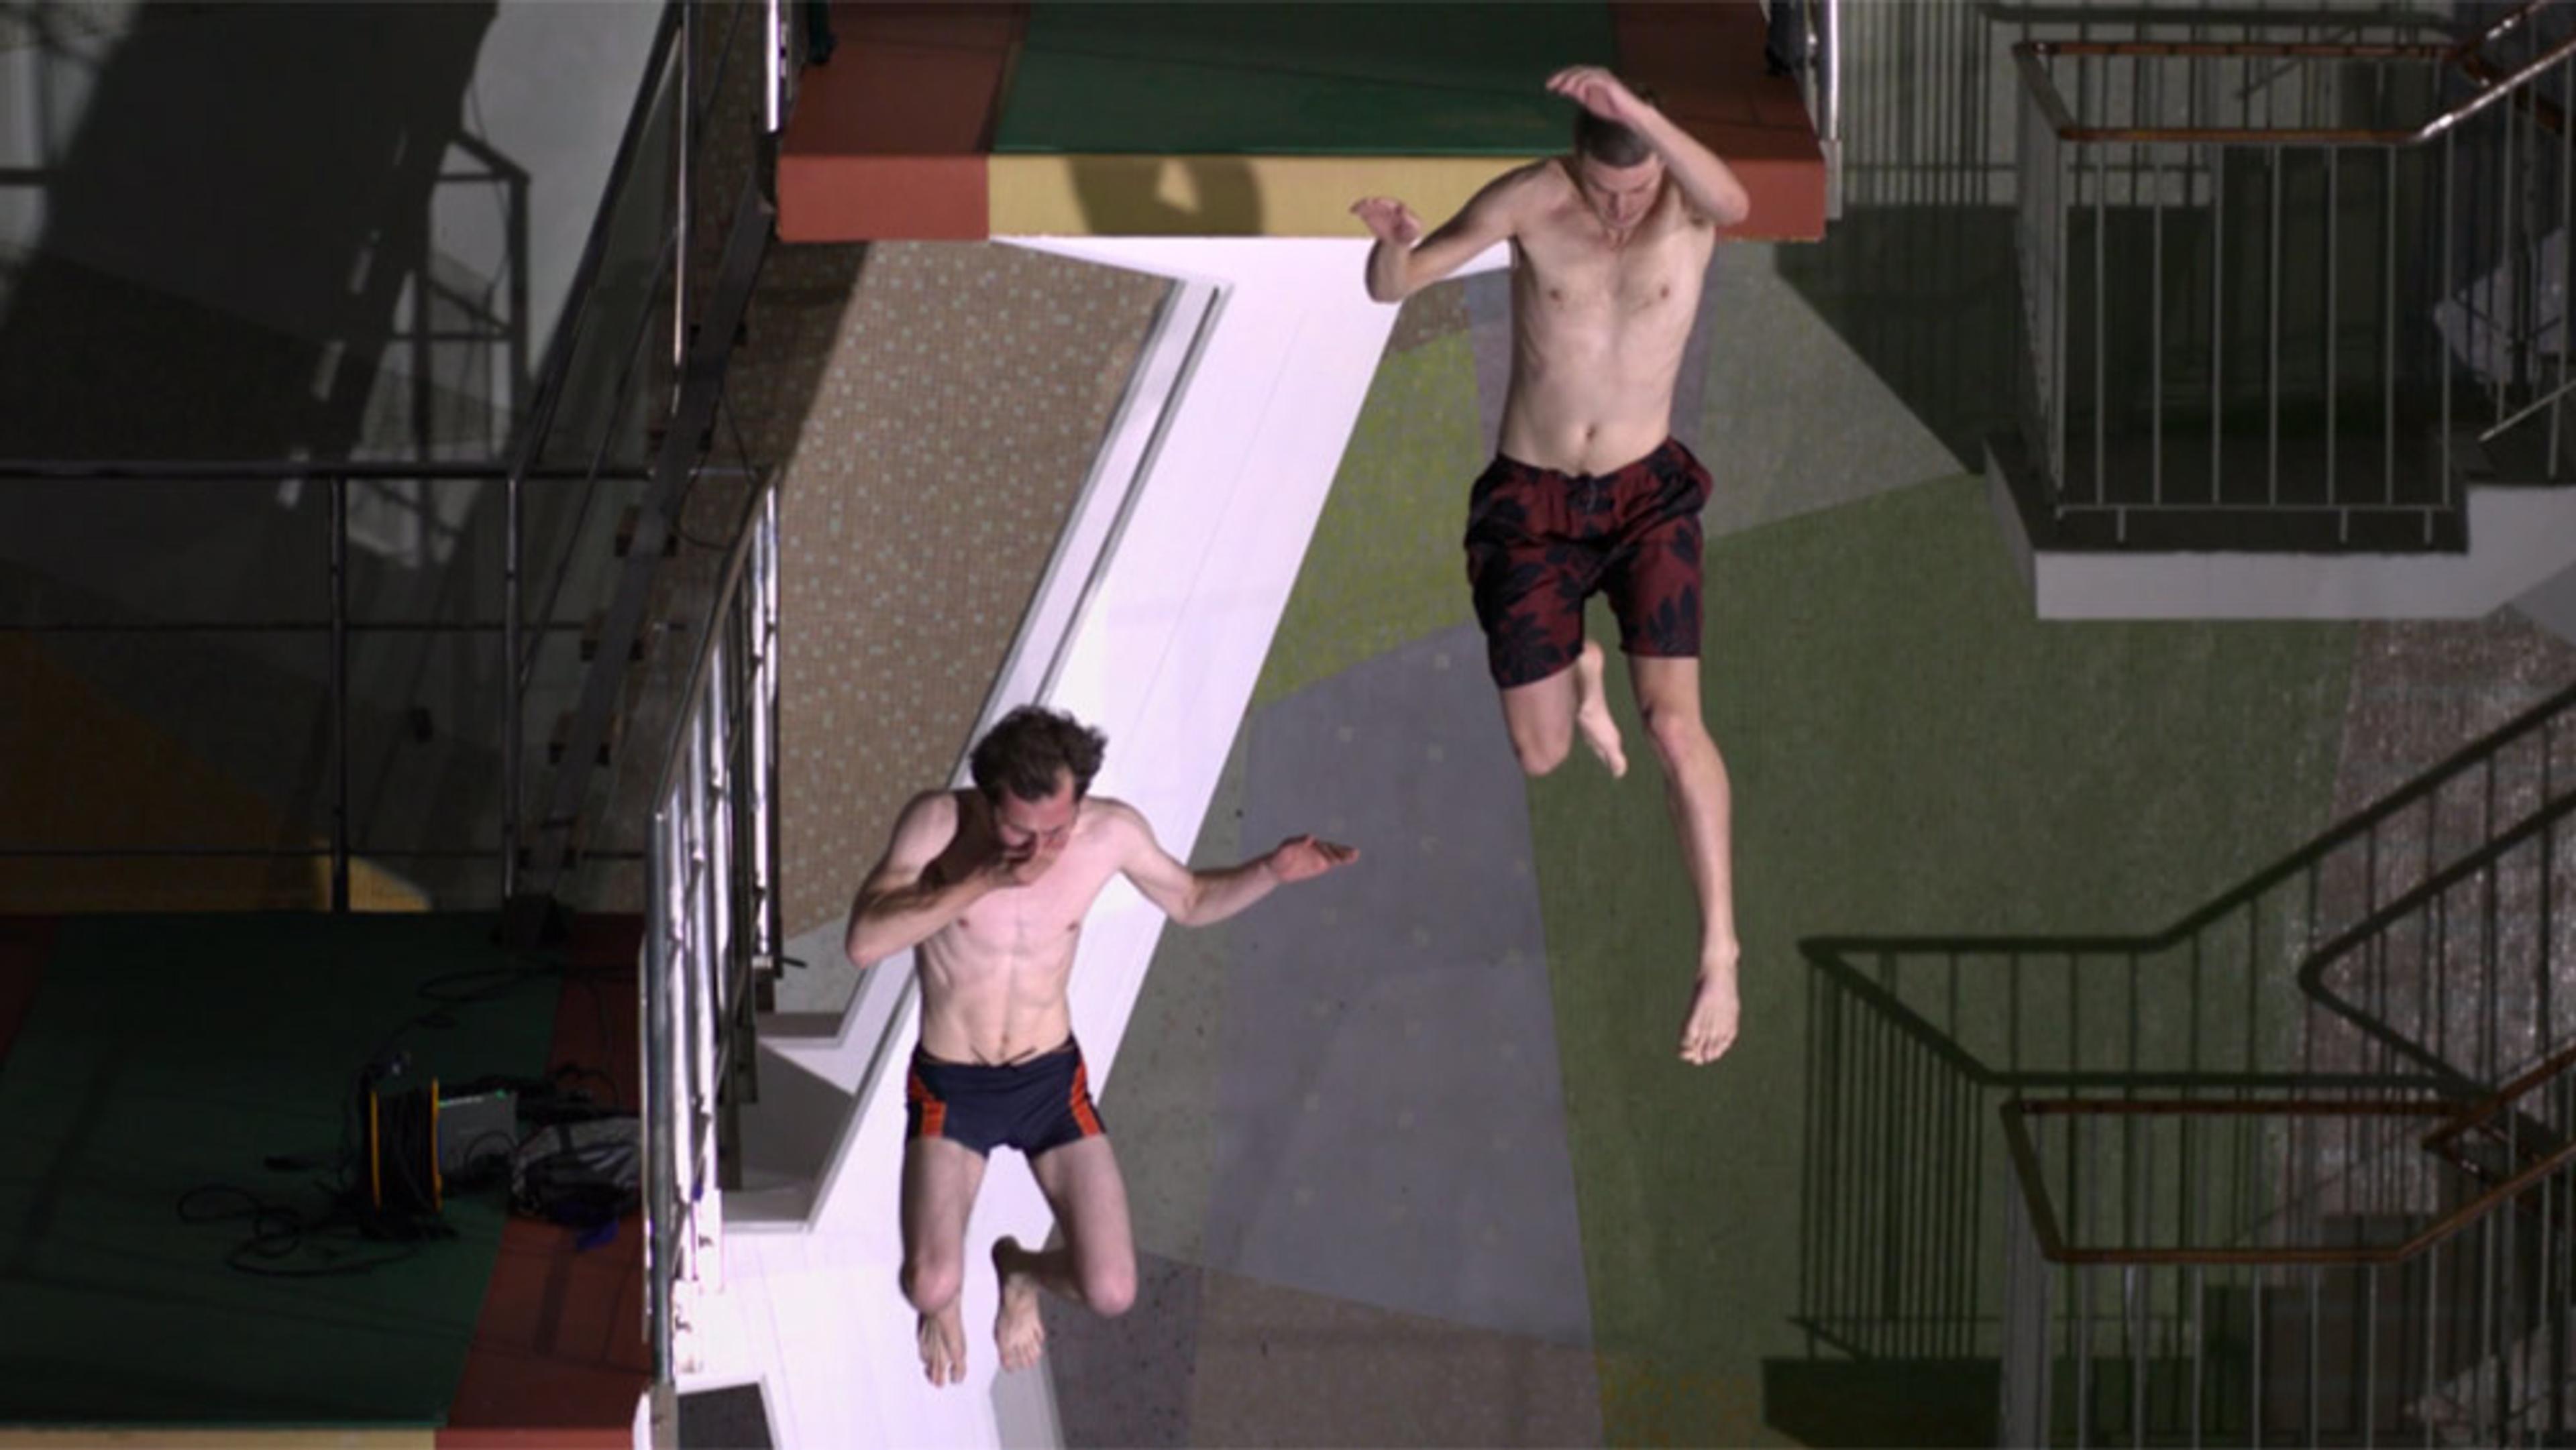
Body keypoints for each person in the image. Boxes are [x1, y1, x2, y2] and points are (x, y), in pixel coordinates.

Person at [1349, 66, 1751, 1068]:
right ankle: (1580, 666)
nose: (1620, 214)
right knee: (1540, 754)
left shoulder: (1690, 205)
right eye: (1603, 192)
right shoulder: (1533, 196)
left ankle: (1721, 948)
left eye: (1636, 190)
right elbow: (1396, 285)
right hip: (1532, 502)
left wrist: (1646, 117)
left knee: (1673, 721)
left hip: (1646, 494)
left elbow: (1737, 200)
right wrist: (1393, 249)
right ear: (1574, 163)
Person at [843, 705, 1358, 1386]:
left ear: (1078, 801)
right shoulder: (939, 823)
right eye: (1019, 830)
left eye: (1056, 830)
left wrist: (1271, 869)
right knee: (930, 1284)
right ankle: (948, 1299)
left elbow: (1192, 899)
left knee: (1112, 1286)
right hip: (953, 1084)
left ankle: (1019, 1270)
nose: (1040, 849)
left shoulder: (1109, 832)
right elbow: (864, 943)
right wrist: (981, 879)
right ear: (988, 797)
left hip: (1050, 1082)